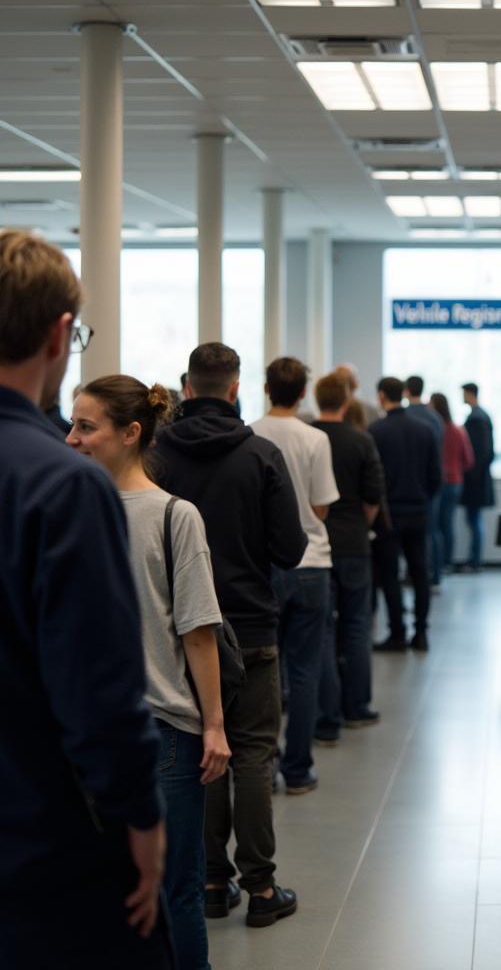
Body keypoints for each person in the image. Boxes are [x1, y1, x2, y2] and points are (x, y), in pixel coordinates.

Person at [0, 229, 173, 967]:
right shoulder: (61, 486)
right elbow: (98, 690)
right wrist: (142, 823)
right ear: (60, 333)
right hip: (41, 848)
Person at [68, 375, 231, 970]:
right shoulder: (158, 514)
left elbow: (197, 630)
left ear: (132, 433)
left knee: (163, 892)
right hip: (129, 733)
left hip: (151, 729)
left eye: (86, 426)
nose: (72, 438)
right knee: (171, 890)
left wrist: (213, 725)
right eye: (73, 423)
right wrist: (209, 724)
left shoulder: (170, 515)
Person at [155, 341, 307, 929]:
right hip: (251, 625)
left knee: (203, 749)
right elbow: (290, 550)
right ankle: (262, 888)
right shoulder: (262, 455)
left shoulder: (156, 454)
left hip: (182, 630)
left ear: (187, 388)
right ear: (237, 388)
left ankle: (213, 880)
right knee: (250, 752)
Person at [250, 358, 339, 794]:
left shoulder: (249, 434)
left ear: (266, 388)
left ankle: (262, 767)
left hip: (262, 564)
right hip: (311, 563)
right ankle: (299, 770)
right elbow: (322, 506)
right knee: (305, 671)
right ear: (303, 393)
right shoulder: (315, 439)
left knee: (267, 670)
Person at [312, 372, 385, 738]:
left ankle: (327, 715)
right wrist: (360, 523)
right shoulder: (361, 441)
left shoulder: (310, 439)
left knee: (323, 629)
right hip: (355, 543)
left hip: (315, 544)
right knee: (356, 626)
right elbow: (373, 498)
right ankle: (356, 706)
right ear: (345, 401)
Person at [369, 376, 441, 651]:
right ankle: (421, 633)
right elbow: (436, 475)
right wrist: (424, 499)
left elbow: (372, 480)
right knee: (419, 572)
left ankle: (397, 632)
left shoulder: (376, 430)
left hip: (388, 515)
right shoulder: (425, 429)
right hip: (419, 510)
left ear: (381, 396)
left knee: (389, 574)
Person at [405, 375, 445, 587]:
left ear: (406, 390)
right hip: (429, 484)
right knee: (433, 530)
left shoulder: (404, 417)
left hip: (407, 486)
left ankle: (413, 575)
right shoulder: (434, 418)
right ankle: (435, 575)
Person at [430, 391, 475, 573]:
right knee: (447, 523)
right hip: (455, 481)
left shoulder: (433, 429)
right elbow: (469, 460)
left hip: (438, 482)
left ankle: (436, 565)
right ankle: (447, 562)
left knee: (434, 526)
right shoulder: (458, 430)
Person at [459, 381, 495, 572]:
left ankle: (475, 561)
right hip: (478, 478)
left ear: (469, 393)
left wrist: (471, 474)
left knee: (474, 520)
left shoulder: (477, 418)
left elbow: (482, 452)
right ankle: (475, 561)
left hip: (476, 480)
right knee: (474, 520)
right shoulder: (480, 416)